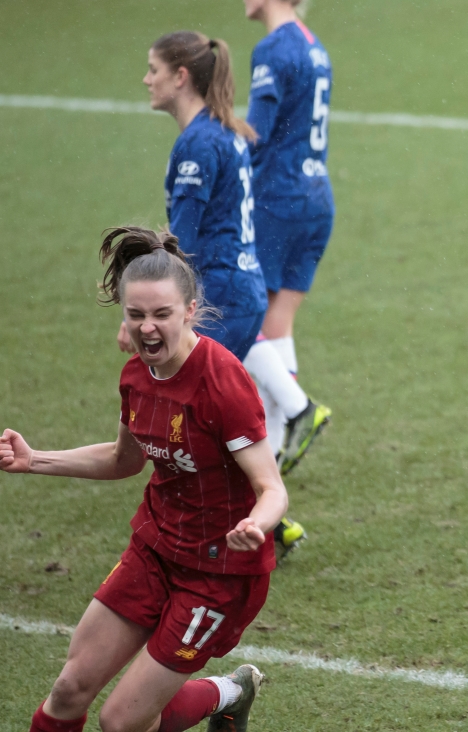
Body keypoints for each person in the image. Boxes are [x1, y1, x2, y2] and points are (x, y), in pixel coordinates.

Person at [0, 227, 287, 732]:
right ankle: (228, 694)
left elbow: (272, 489)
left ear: (191, 311)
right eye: (136, 316)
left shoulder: (222, 382)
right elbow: (123, 459)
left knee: (121, 720)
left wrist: (255, 525)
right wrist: (34, 459)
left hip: (219, 575)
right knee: (68, 690)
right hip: (155, 549)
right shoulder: (136, 375)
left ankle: (227, 691)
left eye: (161, 315)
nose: (147, 329)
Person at [140, 29, 307, 556]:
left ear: (181, 77)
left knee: (199, 416)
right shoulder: (221, 131)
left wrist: (142, 315)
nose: (147, 80)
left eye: (154, 70)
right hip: (239, 287)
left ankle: (257, 523)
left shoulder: (199, 144)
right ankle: (271, 521)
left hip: (221, 295)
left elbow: (179, 243)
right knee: (210, 412)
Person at [238, 0, 333, 473]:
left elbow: (259, 134)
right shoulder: (314, 46)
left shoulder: (274, 49)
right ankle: (273, 452)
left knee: (234, 311)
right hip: (317, 196)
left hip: (277, 198)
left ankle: (299, 409)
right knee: (278, 324)